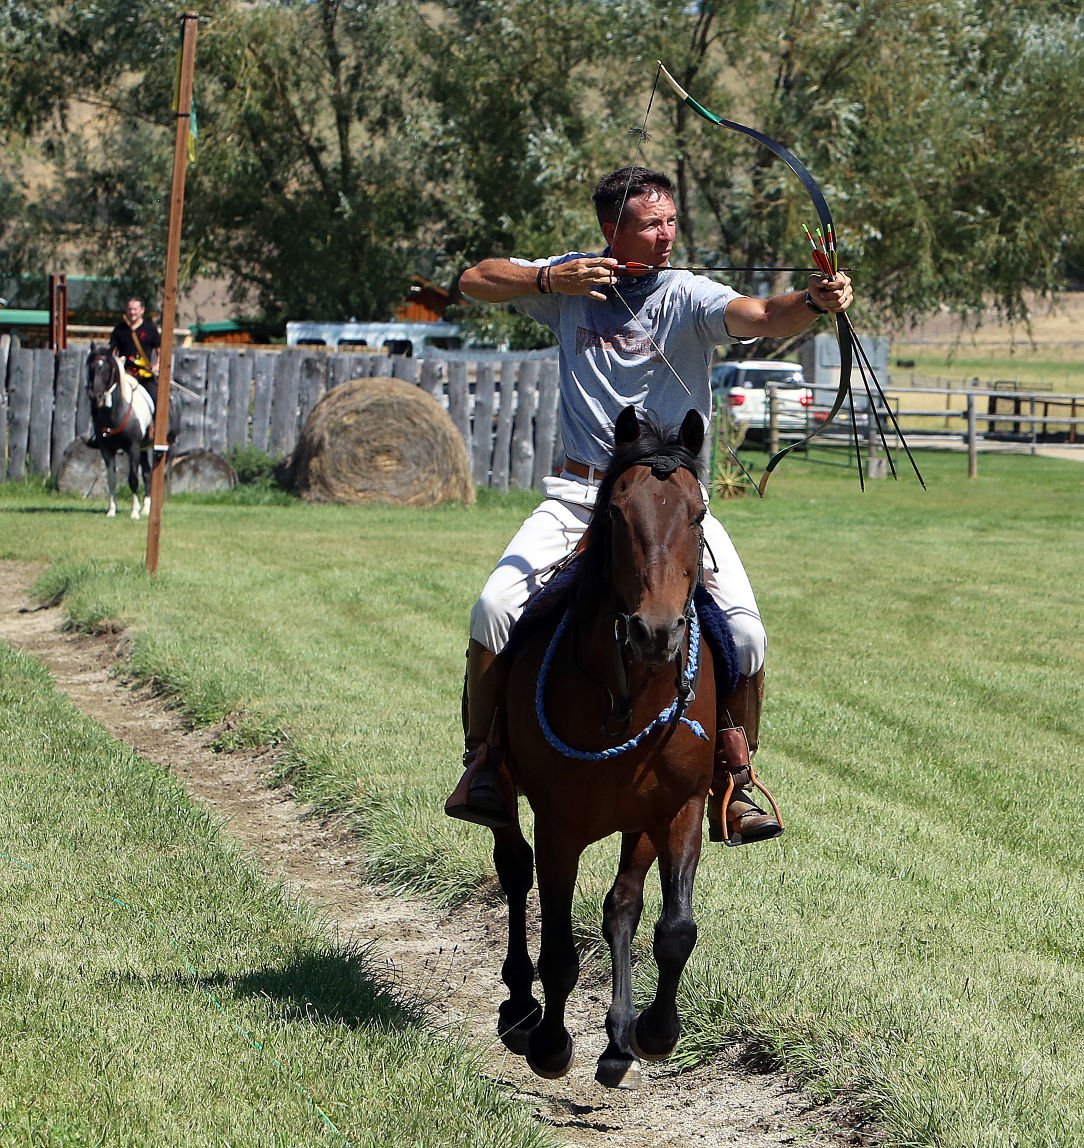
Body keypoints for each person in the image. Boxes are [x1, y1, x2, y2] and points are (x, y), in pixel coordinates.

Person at [444, 166, 853, 845]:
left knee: (747, 635)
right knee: (492, 608)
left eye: (671, 222)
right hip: (581, 494)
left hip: (667, 504)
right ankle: (485, 763)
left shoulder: (688, 294)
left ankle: (733, 778)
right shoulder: (571, 282)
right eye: (650, 224)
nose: (666, 236)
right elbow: (474, 280)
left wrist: (813, 301)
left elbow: (758, 316)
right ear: (612, 230)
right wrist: (550, 280)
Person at [109, 297, 160, 407]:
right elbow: (113, 352)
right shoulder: (119, 330)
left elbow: (159, 350)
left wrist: (157, 365)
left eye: (135, 309)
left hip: (145, 376)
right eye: (130, 309)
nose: (132, 312)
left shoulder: (150, 329)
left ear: (142, 310)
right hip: (125, 375)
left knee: (157, 401)